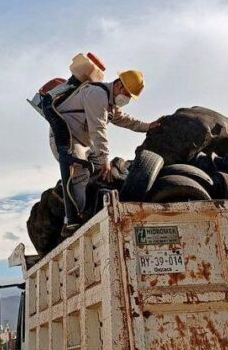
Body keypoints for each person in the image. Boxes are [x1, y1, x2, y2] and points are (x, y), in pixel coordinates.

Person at [49, 65, 159, 237]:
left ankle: (90, 205)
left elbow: (124, 119)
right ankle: (72, 220)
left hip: (83, 142)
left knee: (101, 171)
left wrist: (147, 127)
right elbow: (98, 129)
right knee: (80, 170)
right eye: (127, 94)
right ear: (119, 85)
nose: (127, 99)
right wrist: (105, 158)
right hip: (66, 140)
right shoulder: (97, 94)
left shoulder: (110, 102)